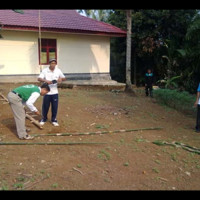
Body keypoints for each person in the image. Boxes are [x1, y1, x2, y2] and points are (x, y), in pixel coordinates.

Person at [38, 58, 66, 126]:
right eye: (52, 63)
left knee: (55, 107)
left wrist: (61, 79)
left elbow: (64, 78)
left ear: (56, 64)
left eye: (54, 63)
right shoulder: (45, 70)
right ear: (49, 63)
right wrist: (46, 81)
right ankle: (44, 119)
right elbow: (39, 78)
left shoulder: (58, 70)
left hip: (55, 92)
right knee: (45, 106)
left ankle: (54, 120)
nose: (53, 64)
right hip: (46, 92)